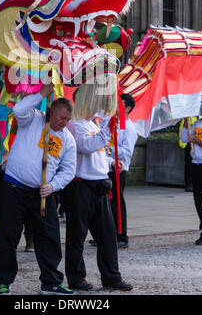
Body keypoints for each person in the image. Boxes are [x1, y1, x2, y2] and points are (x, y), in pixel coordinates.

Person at [0, 84, 77, 296]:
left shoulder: (67, 138)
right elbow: (18, 109)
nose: (63, 123)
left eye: (67, 119)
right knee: (7, 235)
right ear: (51, 111)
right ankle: (3, 281)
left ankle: (50, 282)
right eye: (60, 118)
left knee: (49, 237)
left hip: (43, 193)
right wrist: (41, 94)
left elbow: (69, 170)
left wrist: (52, 186)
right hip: (14, 187)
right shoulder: (33, 118)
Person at [63, 91, 133, 292]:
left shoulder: (92, 123)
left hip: (99, 184)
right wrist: (107, 131)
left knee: (108, 235)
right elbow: (86, 146)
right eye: (93, 99)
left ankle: (111, 276)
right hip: (80, 186)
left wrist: (111, 163)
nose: (96, 104)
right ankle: (76, 277)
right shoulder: (74, 123)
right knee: (77, 235)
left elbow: (98, 153)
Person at [180, 98, 202, 245]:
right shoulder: (198, 123)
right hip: (196, 165)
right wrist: (186, 125)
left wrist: (195, 140)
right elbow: (184, 139)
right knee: (199, 200)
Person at [110, 93, 138, 249]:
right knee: (106, 203)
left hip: (119, 169)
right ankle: (107, 233)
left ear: (127, 108)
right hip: (107, 166)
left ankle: (122, 235)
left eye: (120, 104)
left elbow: (127, 151)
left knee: (117, 202)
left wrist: (109, 148)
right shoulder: (112, 122)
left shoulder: (129, 127)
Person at [178, 117, 198, 192]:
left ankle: (193, 183)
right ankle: (188, 184)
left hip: (196, 144)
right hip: (188, 144)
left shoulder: (199, 117)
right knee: (188, 166)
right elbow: (182, 131)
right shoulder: (188, 117)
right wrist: (184, 144)